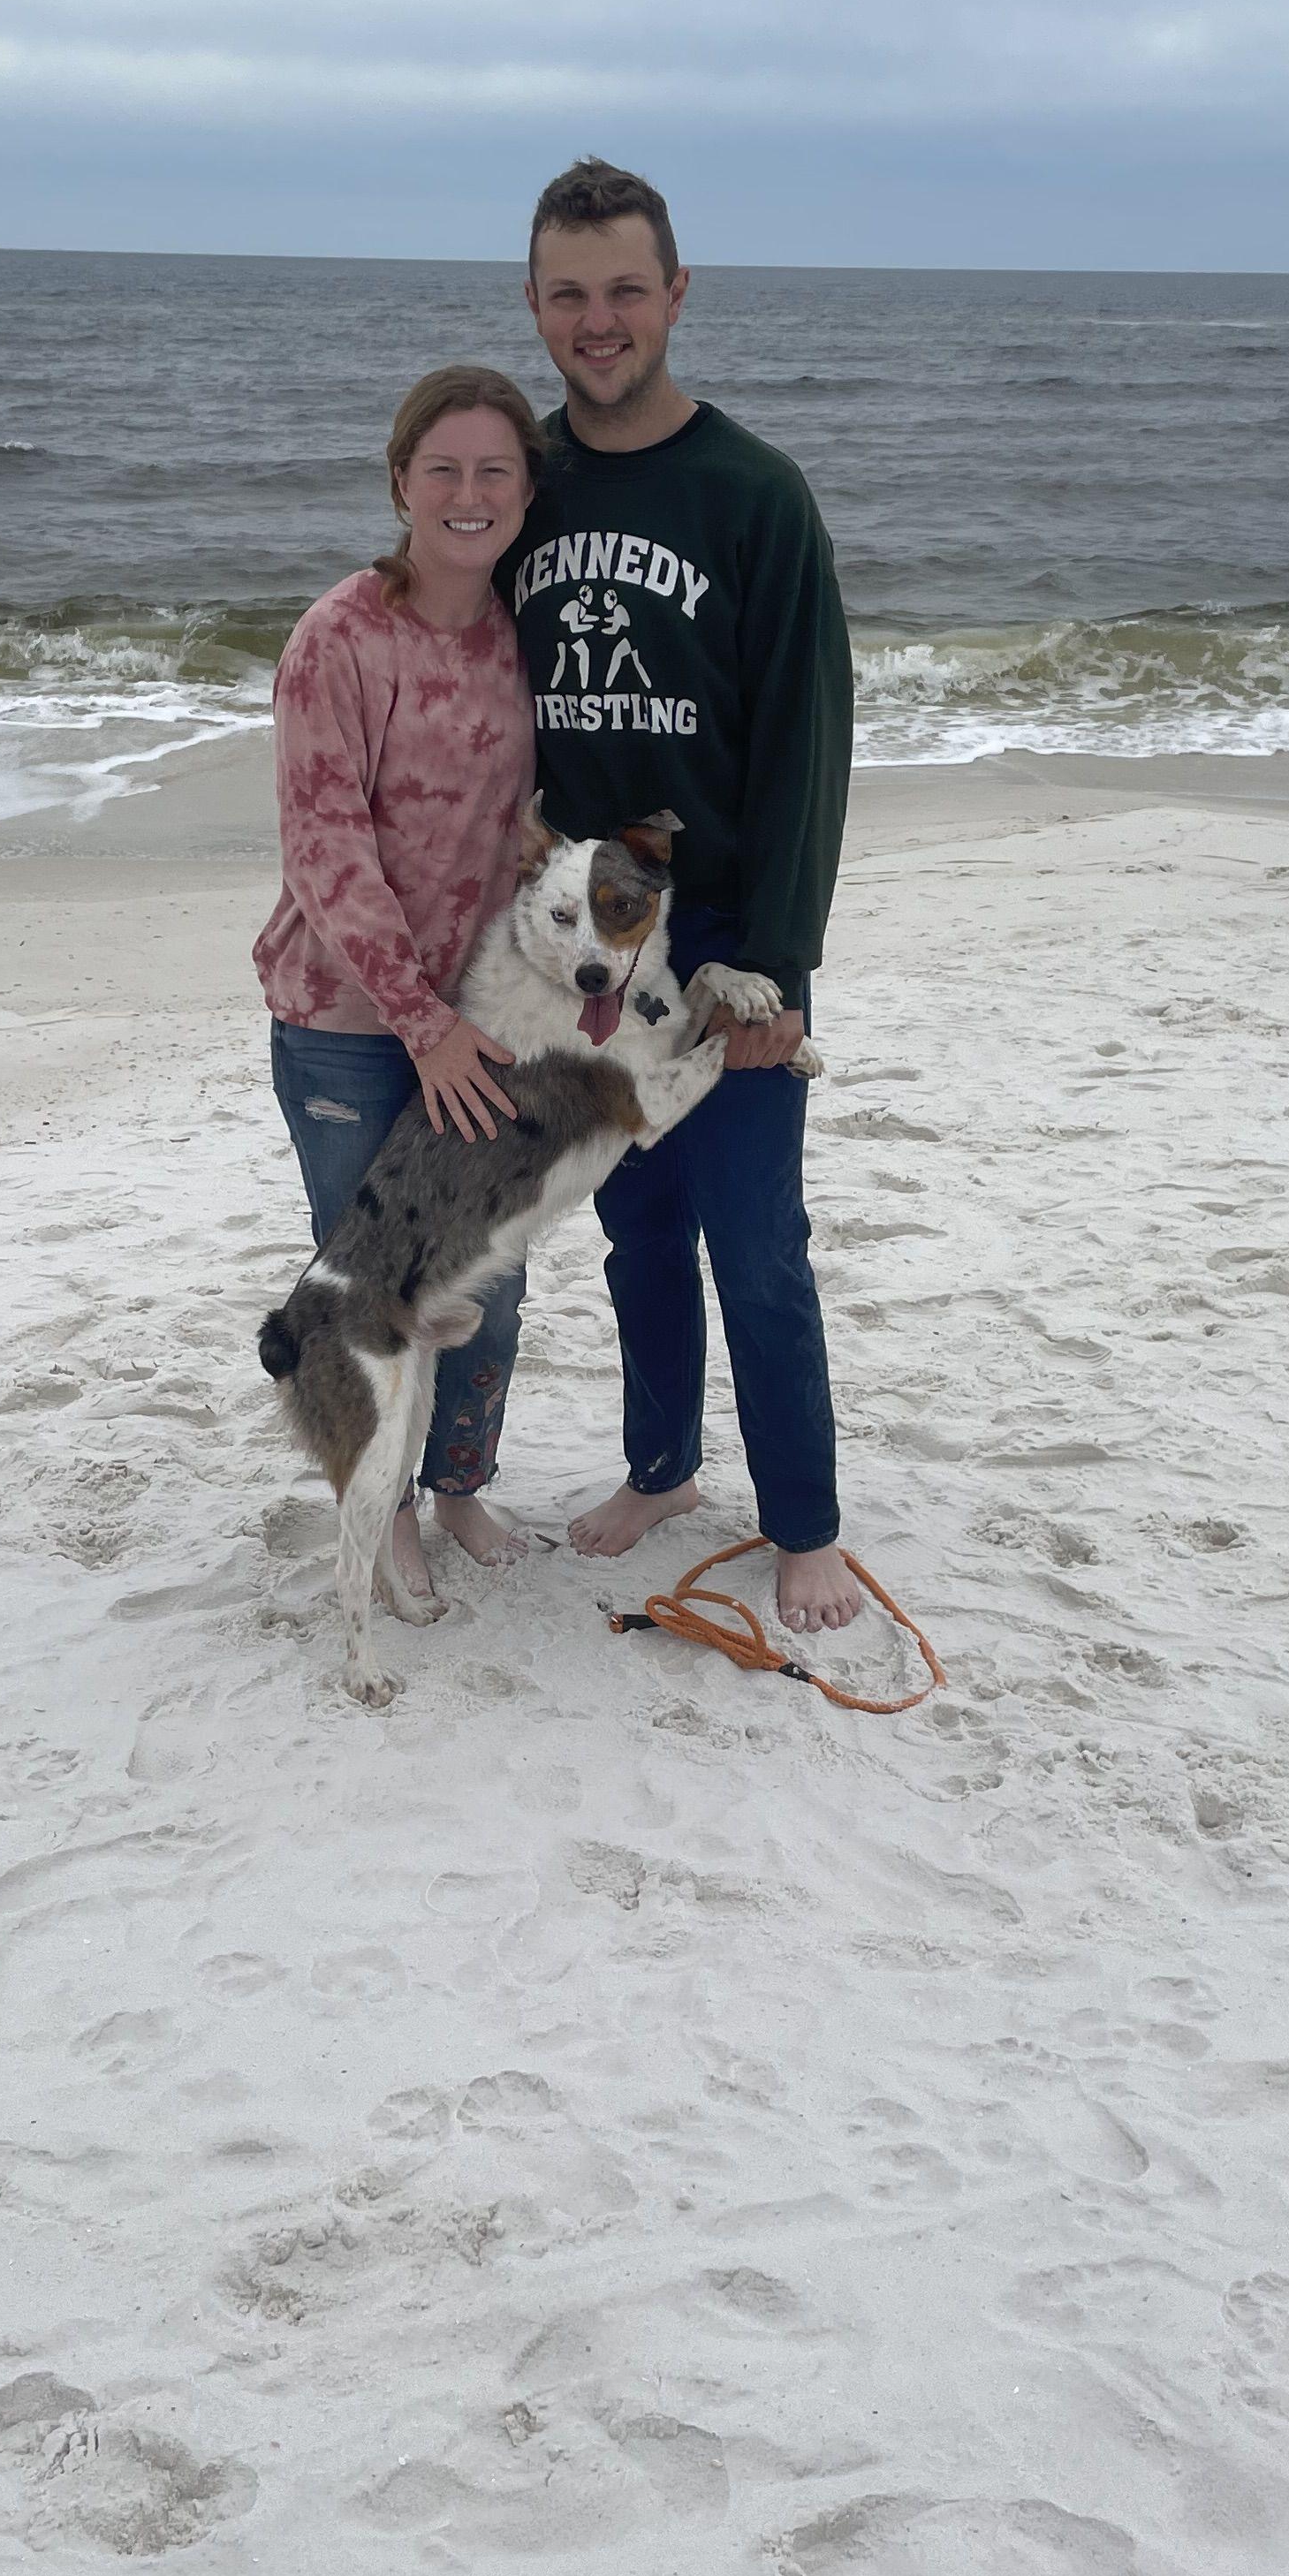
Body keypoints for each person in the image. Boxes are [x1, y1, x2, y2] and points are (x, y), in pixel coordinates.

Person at [501, 156, 868, 1634]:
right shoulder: (516, 483)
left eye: (626, 291)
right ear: (534, 304)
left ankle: (806, 1521)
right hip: (577, 946)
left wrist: (774, 962)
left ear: (677, 295)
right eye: (571, 294)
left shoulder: (755, 496)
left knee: (755, 1241)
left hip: (717, 947)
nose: (600, 322)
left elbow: (809, 744)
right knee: (633, 1233)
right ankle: (660, 1468)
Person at [254, 362, 544, 1602]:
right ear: (400, 484)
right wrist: (419, 1026)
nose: (469, 495)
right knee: (377, 1298)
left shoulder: (528, 636)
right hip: (347, 1026)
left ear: (527, 491)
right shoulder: (340, 639)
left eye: (495, 471)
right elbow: (326, 850)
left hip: (485, 1028)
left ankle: (460, 1486)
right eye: (445, 470)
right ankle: (384, 1510)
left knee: (491, 1283)